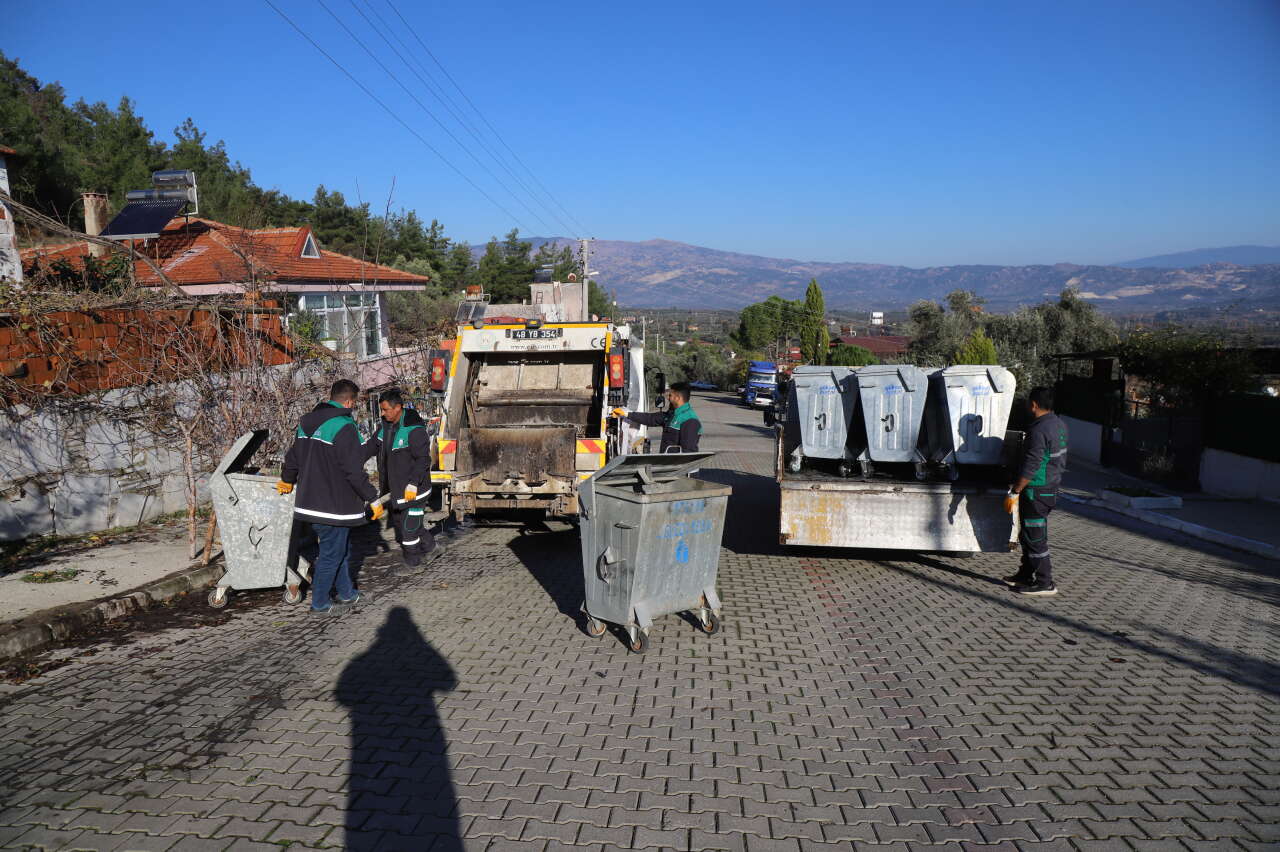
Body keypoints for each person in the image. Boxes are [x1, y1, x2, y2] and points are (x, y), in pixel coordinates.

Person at [278, 379, 381, 614]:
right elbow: (353, 470)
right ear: (349, 401)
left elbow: (293, 457)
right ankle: (320, 603)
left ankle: (347, 594)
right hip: (334, 505)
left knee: (339, 550)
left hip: (309, 503)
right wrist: (371, 497)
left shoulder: (306, 423)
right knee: (331, 555)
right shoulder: (344, 426)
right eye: (354, 403)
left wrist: (287, 478)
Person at [1004, 386, 1069, 596]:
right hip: (1049, 489)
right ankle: (1025, 574)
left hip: (1036, 491)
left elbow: (1033, 464)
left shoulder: (1039, 429)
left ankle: (1045, 582)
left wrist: (1016, 490)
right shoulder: (1059, 424)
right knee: (1028, 535)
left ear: (1033, 405)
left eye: (1027, 403)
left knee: (1034, 537)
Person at [367, 388, 435, 575]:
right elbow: (371, 447)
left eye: (385, 409)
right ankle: (431, 548)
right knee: (408, 523)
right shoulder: (385, 428)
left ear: (398, 408)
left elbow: (423, 459)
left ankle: (414, 563)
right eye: (381, 410)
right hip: (397, 490)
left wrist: (413, 483)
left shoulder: (414, 430)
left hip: (415, 490)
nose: (382, 413)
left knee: (407, 530)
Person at [612, 381, 702, 452]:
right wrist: (627, 414)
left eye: (670, 395)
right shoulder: (672, 414)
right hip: (668, 466)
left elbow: (688, 452)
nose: (668, 398)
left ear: (677, 398)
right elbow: (650, 419)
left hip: (679, 470)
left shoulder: (690, 420)